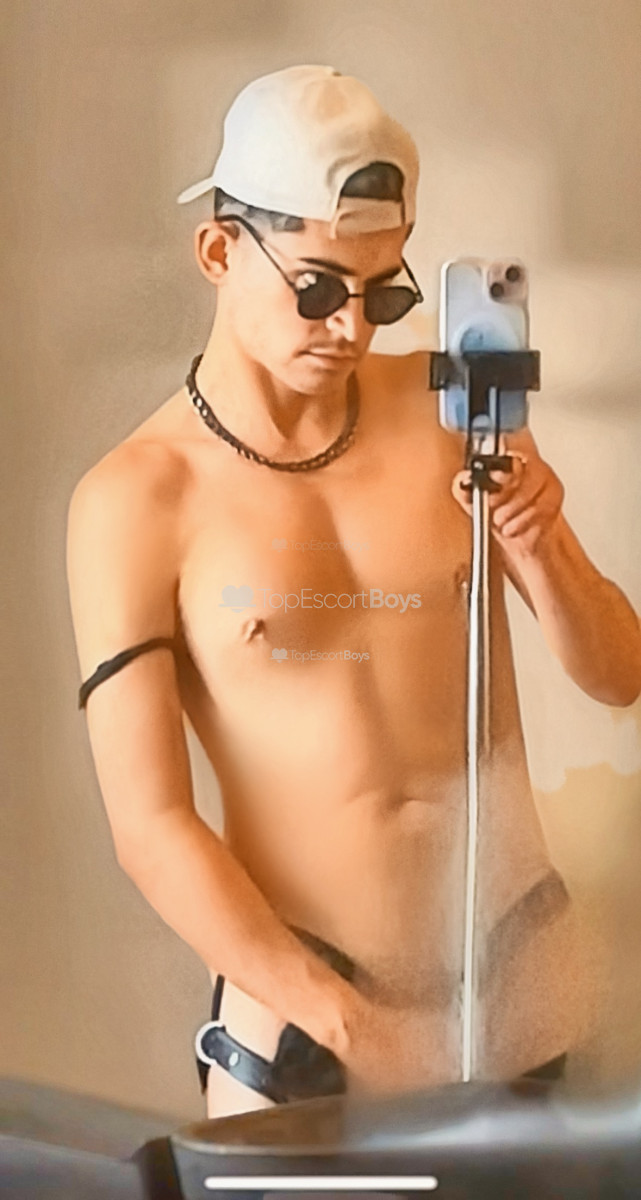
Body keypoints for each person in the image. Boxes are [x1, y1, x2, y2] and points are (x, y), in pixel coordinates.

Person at [66, 64, 641, 1120]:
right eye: (319, 289)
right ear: (218, 251)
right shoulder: (134, 500)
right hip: (305, 1033)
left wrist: (542, 537)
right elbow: (150, 826)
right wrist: (350, 1028)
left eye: (383, 295)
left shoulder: (449, 413)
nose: (351, 331)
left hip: (525, 997)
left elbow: (617, 673)